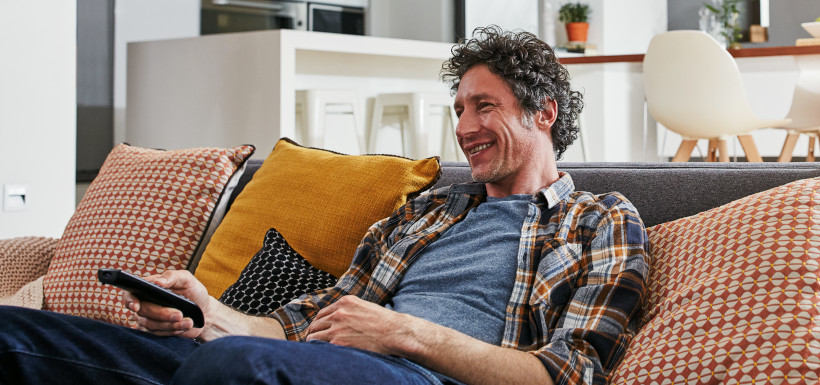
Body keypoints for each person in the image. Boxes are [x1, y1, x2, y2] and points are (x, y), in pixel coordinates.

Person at [0, 26, 648, 385]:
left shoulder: (598, 219)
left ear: (544, 112)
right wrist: (208, 312)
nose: (465, 126)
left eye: (485, 106)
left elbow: (570, 373)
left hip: (420, 376)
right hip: (315, 363)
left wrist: (404, 333)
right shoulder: (424, 214)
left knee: (234, 367)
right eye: (458, 109)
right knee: (17, 333)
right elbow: (308, 319)